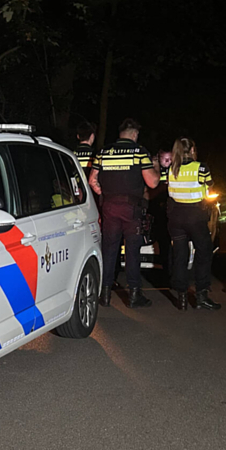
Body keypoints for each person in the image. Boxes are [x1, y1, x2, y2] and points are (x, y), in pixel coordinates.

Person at [89, 118, 159, 308]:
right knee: (132, 252)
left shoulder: (104, 152)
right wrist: (156, 169)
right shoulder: (139, 152)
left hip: (109, 206)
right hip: (131, 209)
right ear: (135, 134)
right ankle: (134, 295)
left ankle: (104, 295)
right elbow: (152, 183)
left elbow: (92, 180)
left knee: (109, 249)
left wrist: (105, 194)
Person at [159, 137, 221, 311]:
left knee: (180, 255)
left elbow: (167, 186)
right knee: (204, 251)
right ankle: (201, 295)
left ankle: (182, 297)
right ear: (192, 150)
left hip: (176, 217)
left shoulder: (171, 168)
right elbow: (210, 185)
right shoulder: (201, 167)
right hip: (195, 216)